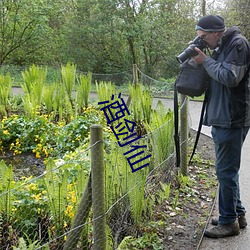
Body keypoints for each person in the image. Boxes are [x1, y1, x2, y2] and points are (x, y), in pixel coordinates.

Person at [192, 15, 250, 238]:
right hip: (222, 117)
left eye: (204, 37)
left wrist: (205, 61)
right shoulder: (221, 46)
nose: (203, 41)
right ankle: (237, 214)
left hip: (232, 118)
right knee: (227, 171)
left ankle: (228, 223)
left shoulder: (238, 44)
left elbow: (229, 77)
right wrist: (202, 59)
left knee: (225, 171)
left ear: (216, 32)